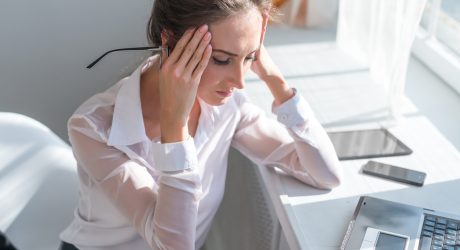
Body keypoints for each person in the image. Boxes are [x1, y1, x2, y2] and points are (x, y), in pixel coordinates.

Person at [59, 0, 343, 249]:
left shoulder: (228, 107)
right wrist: (175, 126)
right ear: (170, 42)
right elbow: (172, 244)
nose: (239, 81)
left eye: (249, 58)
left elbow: (324, 174)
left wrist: (275, 81)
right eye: (222, 59)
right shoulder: (93, 127)